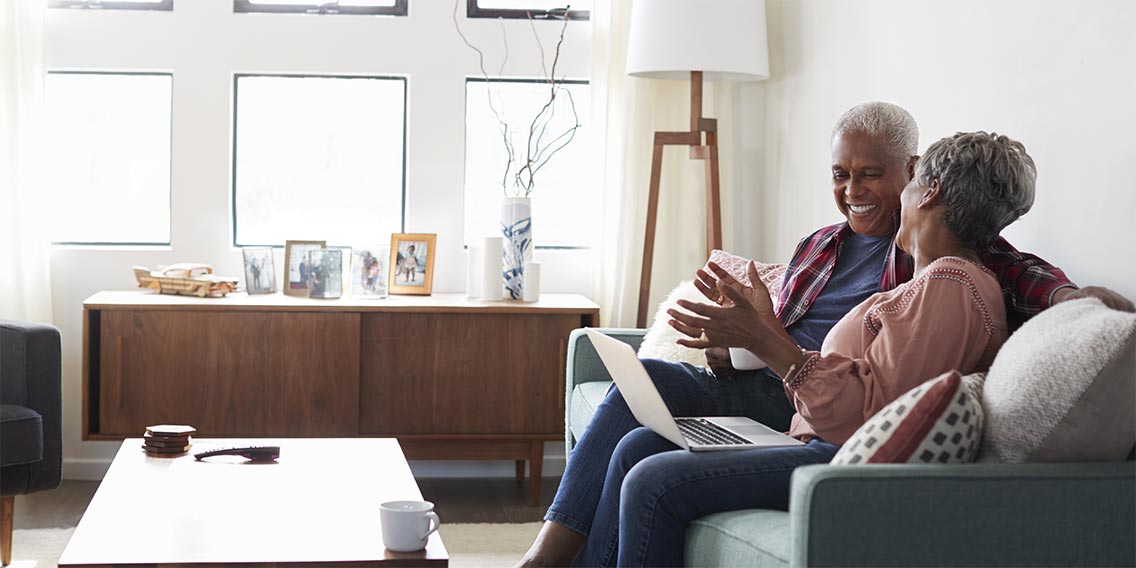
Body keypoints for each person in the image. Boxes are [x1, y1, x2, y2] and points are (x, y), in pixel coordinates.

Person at [518, 103, 1134, 567]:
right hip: (794, 402)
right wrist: (741, 339)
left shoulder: (950, 278)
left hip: (821, 427)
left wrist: (1071, 300)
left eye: (875, 175)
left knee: (650, 472)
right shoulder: (836, 250)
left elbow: (868, 405)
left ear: (923, 183)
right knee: (636, 434)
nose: (852, 190)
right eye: (840, 174)